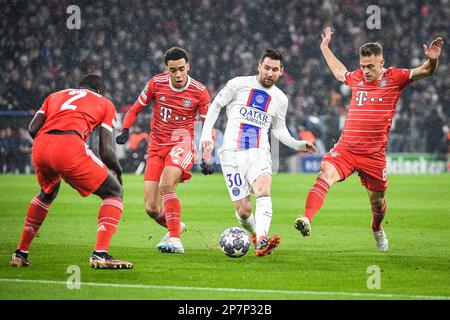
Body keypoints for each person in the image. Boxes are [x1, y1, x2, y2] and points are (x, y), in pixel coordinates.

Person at [293, 27, 443, 251]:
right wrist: (324, 47)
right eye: (362, 66)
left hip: (373, 155)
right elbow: (338, 72)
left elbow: (425, 71)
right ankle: (306, 218)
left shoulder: (395, 77)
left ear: (382, 62)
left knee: (377, 202)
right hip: (346, 149)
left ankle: (376, 228)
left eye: (370, 66)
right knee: (325, 172)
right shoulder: (356, 77)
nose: (365, 71)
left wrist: (432, 61)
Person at [200, 49, 316, 257]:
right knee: (243, 210)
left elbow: (279, 130)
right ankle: (255, 234)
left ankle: (262, 239)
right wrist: (206, 135)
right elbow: (216, 105)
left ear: (281, 71)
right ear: (259, 67)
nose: (270, 73)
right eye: (267, 68)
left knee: (263, 188)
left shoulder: (280, 99)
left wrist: (299, 145)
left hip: (259, 152)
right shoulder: (238, 84)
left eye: (275, 70)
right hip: (231, 154)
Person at [10, 74, 133, 269]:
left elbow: (33, 128)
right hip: (69, 145)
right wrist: (118, 172)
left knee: (48, 192)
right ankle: (100, 254)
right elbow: (106, 151)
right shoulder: (105, 102)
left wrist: (51, 148)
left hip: (41, 145)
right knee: (114, 192)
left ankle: (20, 252)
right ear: (100, 91)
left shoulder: (56, 95)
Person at [115, 47, 213, 254]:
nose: (177, 74)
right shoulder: (156, 83)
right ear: (166, 69)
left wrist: (206, 155)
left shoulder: (199, 91)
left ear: (188, 67)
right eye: (172, 70)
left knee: (166, 184)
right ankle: (176, 226)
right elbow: (134, 109)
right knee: (151, 208)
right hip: (156, 147)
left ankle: (175, 241)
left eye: (181, 69)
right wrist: (125, 129)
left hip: (182, 144)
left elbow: (208, 125)